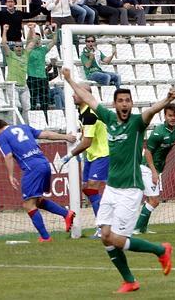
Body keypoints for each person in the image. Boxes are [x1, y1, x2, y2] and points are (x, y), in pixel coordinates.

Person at [61, 67, 174, 294]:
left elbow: (150, 111)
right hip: (112, 189)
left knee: (118, 239)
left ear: (131, 104)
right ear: (115, 104)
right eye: (120, 101)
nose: (124, 104)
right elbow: (89, 98)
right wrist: (69, 79)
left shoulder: (136, 123)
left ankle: (160, 251)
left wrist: (166, 100)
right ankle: (130, 281)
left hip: (130, 190)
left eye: (127, 101)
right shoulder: (108, 117)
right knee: (105, 237)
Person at [0, 118, 76, 241]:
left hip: (32, 169)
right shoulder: (25, 127)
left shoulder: (2, 136)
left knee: (28, 205)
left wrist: (10, 175)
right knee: (37, 201)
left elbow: (8, 156)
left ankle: (45, 237)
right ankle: (66, 214)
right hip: (45, 164)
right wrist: (66, 137)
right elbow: (46, 134)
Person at [133, 103, 175, 235]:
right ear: (164, 116)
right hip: (147, 167)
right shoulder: (158, 131)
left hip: (157, 168)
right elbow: (147, 152)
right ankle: (136, 228)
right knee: (154, 200)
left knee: (150, 200)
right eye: (170, 115)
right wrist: (153, 171)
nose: (173, 118)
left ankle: (142, 228)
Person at [61, 83, 110, 237]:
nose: (72, 95)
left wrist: (70, 155)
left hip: (101, 155)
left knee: (93, 188)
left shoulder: (90, 114)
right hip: (91, 155)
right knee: (86, 188)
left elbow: (87, 142)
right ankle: (105, 221)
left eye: (76, 93)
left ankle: (104, 226)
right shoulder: (82, 111)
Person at [1, 24, 32, 118]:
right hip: (12, 85)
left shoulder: (25, 55)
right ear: (14, 48)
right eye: (17, 46)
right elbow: (4, 44)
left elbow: (32, 42)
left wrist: (32, 29)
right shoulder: (10, 55)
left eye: (20, 46)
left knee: (27, 107)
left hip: (23, 85)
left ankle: (24, 126)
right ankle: (12, 125)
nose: (19, 48)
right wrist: (5, 30)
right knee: (16, 106)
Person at [26, 23, 58, 113]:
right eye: (35, 39)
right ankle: (32, 119)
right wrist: (31, 29)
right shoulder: (28, 50)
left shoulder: (43, 50)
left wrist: (53, 30)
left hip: (43, 79)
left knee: (44, 102)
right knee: (33, 101)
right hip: (32, 78)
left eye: (39, 39)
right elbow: (29, 40)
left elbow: (54, 41)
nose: (37, 41)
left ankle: (45, 118)